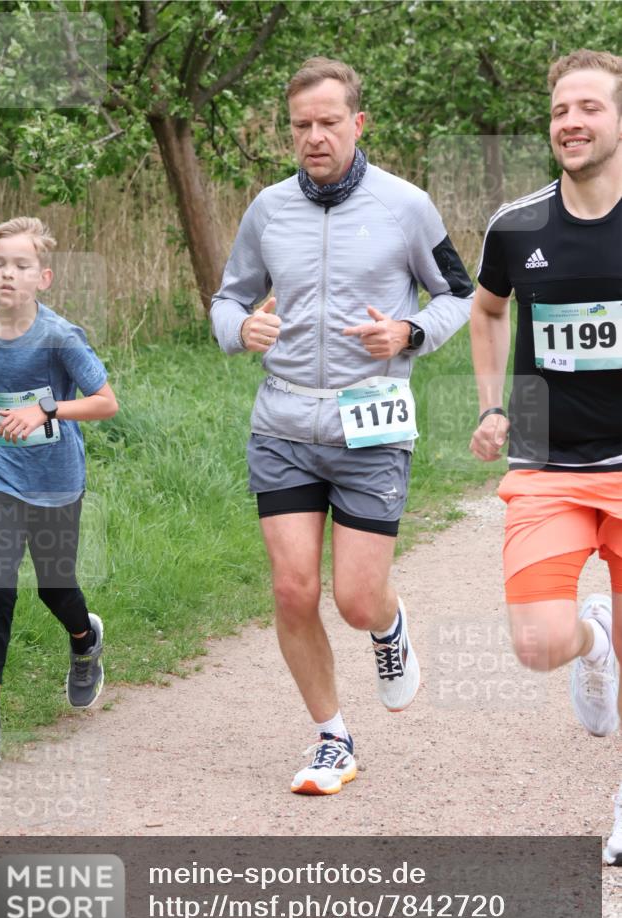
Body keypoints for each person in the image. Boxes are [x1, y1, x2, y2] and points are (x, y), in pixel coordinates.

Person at [211, 57, 473, 795]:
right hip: (284, 421)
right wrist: (240, 331)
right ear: (288, 130)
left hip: (371, 420)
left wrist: (410, 334)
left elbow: (460, 293)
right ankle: (331, 737)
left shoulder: (406, 205)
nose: (315, 137)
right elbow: (227, 300)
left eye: (329, 122)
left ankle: (387, 627)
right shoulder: (267, 209)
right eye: (302, 125)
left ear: (358, 123)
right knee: (293, 590)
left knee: (356, 598)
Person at [469, 49, 621, 864]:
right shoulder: (516, 224)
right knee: (535, 644)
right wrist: (493, 405)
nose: (570, 122)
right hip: (546, 464)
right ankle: (592, 641)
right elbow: (487, 311)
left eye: (589, 107)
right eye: (560, 109)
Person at [0, 217, 118, 763]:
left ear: (42, 277)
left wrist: (45, 407)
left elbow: (104, 402)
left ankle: (84, 641)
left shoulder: (59, 337)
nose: (9, 274)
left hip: (54, 482)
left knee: (54, 588)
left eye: (21, 266)